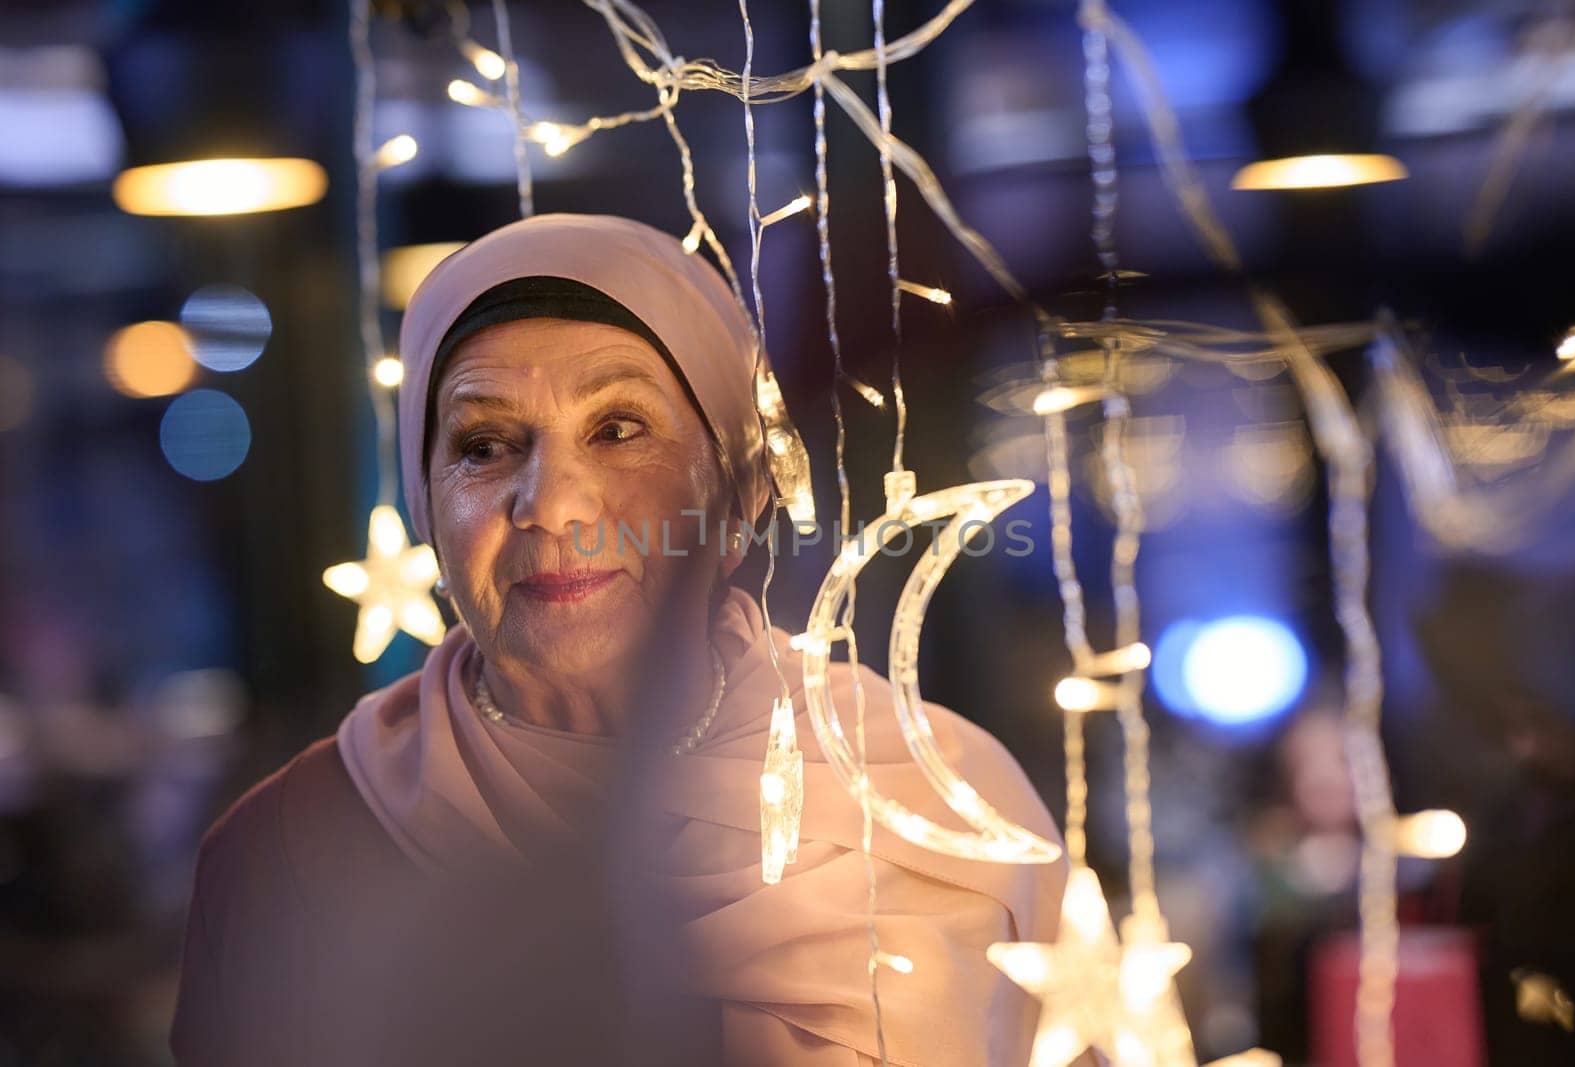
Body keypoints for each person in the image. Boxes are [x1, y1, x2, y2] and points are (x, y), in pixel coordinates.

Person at [169, 213, 1065, 1066]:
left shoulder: (943, 809)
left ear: (736, 492)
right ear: (427, 508)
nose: (552, 503)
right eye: (483, 446)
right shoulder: (289, 853)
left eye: (619, 429)